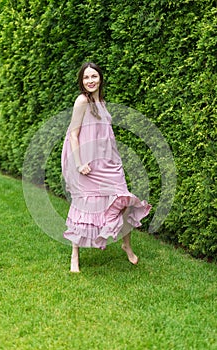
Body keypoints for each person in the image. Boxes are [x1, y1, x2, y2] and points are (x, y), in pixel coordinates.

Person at [61, 62, 151, 272]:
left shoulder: (100, 101)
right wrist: (80, 163)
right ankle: (74, 255)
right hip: (87, 163)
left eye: (94, 76)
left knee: (124, 199)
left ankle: (126, 243)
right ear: (81, 81)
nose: (90, 81)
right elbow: (73, 134)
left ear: (100, 78)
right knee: (83, 206)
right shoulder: (82, 100)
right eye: (86, 78)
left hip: (108, 162)